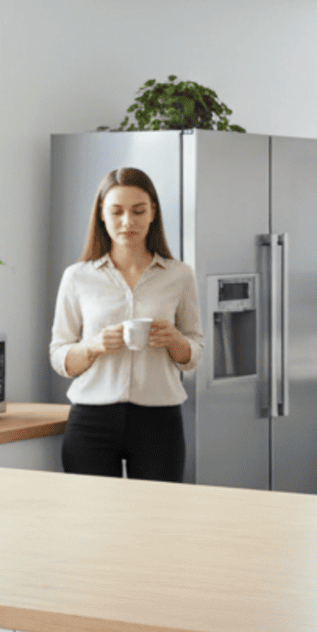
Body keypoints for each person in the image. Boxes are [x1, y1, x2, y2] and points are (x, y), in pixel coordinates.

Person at [49, 167, 203, 481]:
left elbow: (194, 350)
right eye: (116, 211)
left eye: (138, 211)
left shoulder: (179, 275)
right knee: (92, 522)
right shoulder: (77, 277)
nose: (127, 222)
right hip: (91, 420)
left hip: (159, 420)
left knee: (157, 520)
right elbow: (59, 355)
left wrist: (176, 340)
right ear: (102, 215)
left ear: (152, 214)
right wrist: (92, 347)